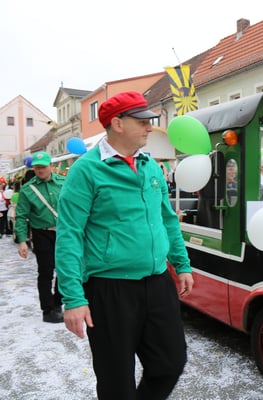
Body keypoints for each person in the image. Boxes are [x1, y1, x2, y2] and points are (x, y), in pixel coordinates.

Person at [54, 91, 194, 399]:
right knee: (116, 381)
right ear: (117, 123)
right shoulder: (86, 170)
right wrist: (73, 298)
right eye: (141, 121)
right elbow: (69, 235)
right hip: (109, 289)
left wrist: (181, 264)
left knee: (170, 363)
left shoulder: (150, 166)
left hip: (157, 283)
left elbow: (167, 219)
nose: (149, 127)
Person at [14, 151, 65, 323]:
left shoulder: (63, 183)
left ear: (51, 166)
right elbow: (21, 216)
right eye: (37, 167)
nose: (40, 170)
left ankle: (57, 303)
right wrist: (22, 241)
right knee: (45, 271)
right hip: (41, 233)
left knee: (64, 269)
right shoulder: (28, 190)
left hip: (63, 232)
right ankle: (47, 310)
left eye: (43, 167)